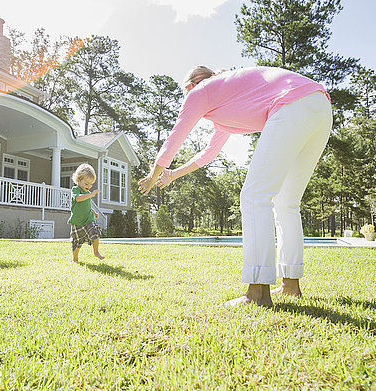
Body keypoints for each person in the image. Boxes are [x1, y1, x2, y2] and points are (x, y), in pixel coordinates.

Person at [138, 66, 332, 307]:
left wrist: (152, 173)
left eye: (185, 92)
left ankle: (257, 294)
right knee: (286, 204)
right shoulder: (224, 104)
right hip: (320, 105)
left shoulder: (201, 91)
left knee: (254, 197)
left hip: (292, 104)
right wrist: (172, 175)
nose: (186, 98)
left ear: (191, 85)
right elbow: (208, 155)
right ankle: (290, 286)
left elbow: (175, 137)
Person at [68, 163, 105, 263]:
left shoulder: (88, 193)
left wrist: (94, 212)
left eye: (91, 184)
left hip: (88, 219)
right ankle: (75, 259)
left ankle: (96, 252)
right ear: (78, 180)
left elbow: (87, 205)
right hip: (77, 221)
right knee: (76, 242)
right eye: (86, 183)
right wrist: (91, 194)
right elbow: (78, 199)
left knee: (94, 232)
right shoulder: (75, 190)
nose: (89, 186)